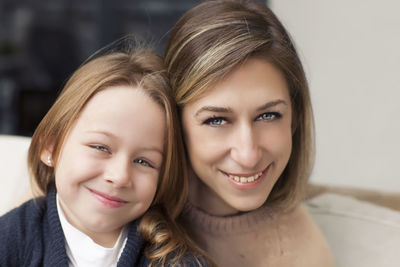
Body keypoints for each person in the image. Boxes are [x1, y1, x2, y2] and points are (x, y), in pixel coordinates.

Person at [0, 42, 206, 266]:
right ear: (50, 147)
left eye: (143, 161)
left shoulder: (177, 261)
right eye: (101, 148)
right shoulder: (9, 241)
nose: (119, 176)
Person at [165, 0, 335, 266]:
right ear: (176, 122)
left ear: (295, 118)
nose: (248, 155)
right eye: (217, 120)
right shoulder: (124, 214)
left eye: (268, 116)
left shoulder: (305, 254)